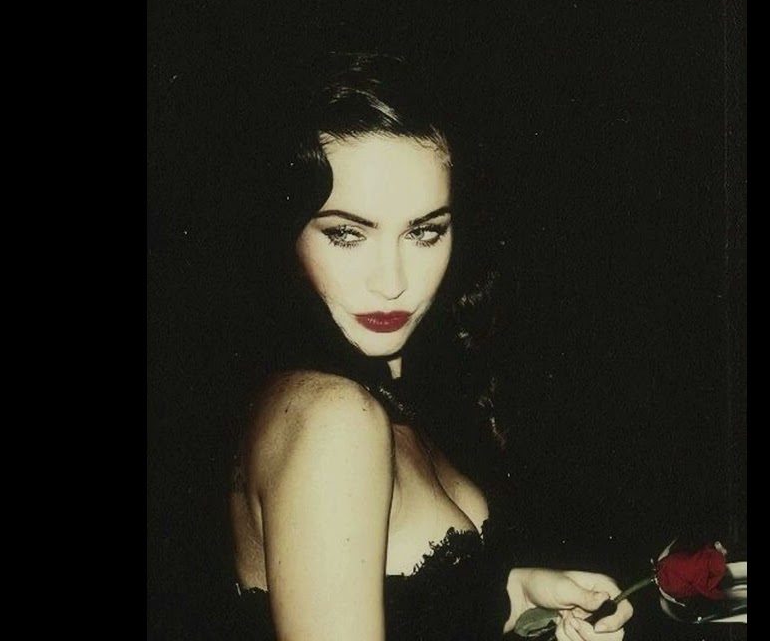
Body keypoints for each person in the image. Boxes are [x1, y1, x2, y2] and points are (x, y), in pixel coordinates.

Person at [226, 52, 634, 641]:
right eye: (347, 234)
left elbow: (409, 605)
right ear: (286, 233)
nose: (392, 281)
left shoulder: (376, 391)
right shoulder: (334, 418)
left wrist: (515, 596)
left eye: (424, 232)